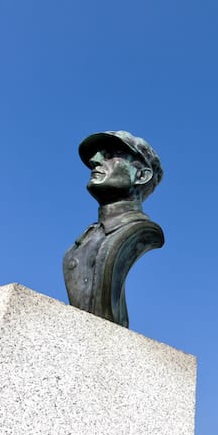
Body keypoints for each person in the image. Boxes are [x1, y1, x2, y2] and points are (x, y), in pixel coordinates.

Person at [62, 131, 164, 327]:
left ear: (141, 176)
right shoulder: (86, 237)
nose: (94, 160)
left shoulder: (139, 231)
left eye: (110, 155)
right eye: (97, 155)